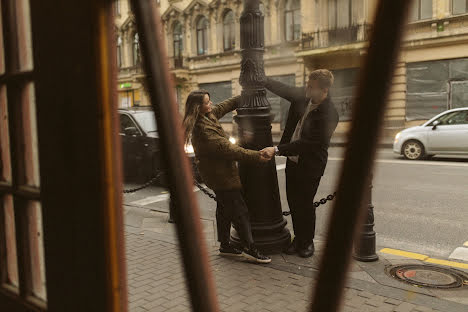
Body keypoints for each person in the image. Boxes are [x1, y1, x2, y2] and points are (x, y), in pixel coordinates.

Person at [183, 90, 271, 264]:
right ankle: (250, 248)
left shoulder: (208, 115)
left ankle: (225, 245)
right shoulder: (202, 130)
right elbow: (228, 149)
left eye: (209, 101)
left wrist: (243, 96)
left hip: (218, 173)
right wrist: (256, 156)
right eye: (207, 102)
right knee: (240, 210)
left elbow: (225, 105)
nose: (211, 104)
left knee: (224, 208)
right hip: (220, 175)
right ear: (198, 108)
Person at [260, 69, 339, 258]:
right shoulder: (303, 98)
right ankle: (298, 239)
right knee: (294, 202)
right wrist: (262, 79)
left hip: (310, 165)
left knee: (304, 204)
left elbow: (309, 144)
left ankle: (307, 242)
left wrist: (278, 149)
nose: (307, 89)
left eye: (311, 87)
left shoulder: (330, 114)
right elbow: (283, 89)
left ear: (324, 90)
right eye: (307, 84)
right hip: (293, 162)